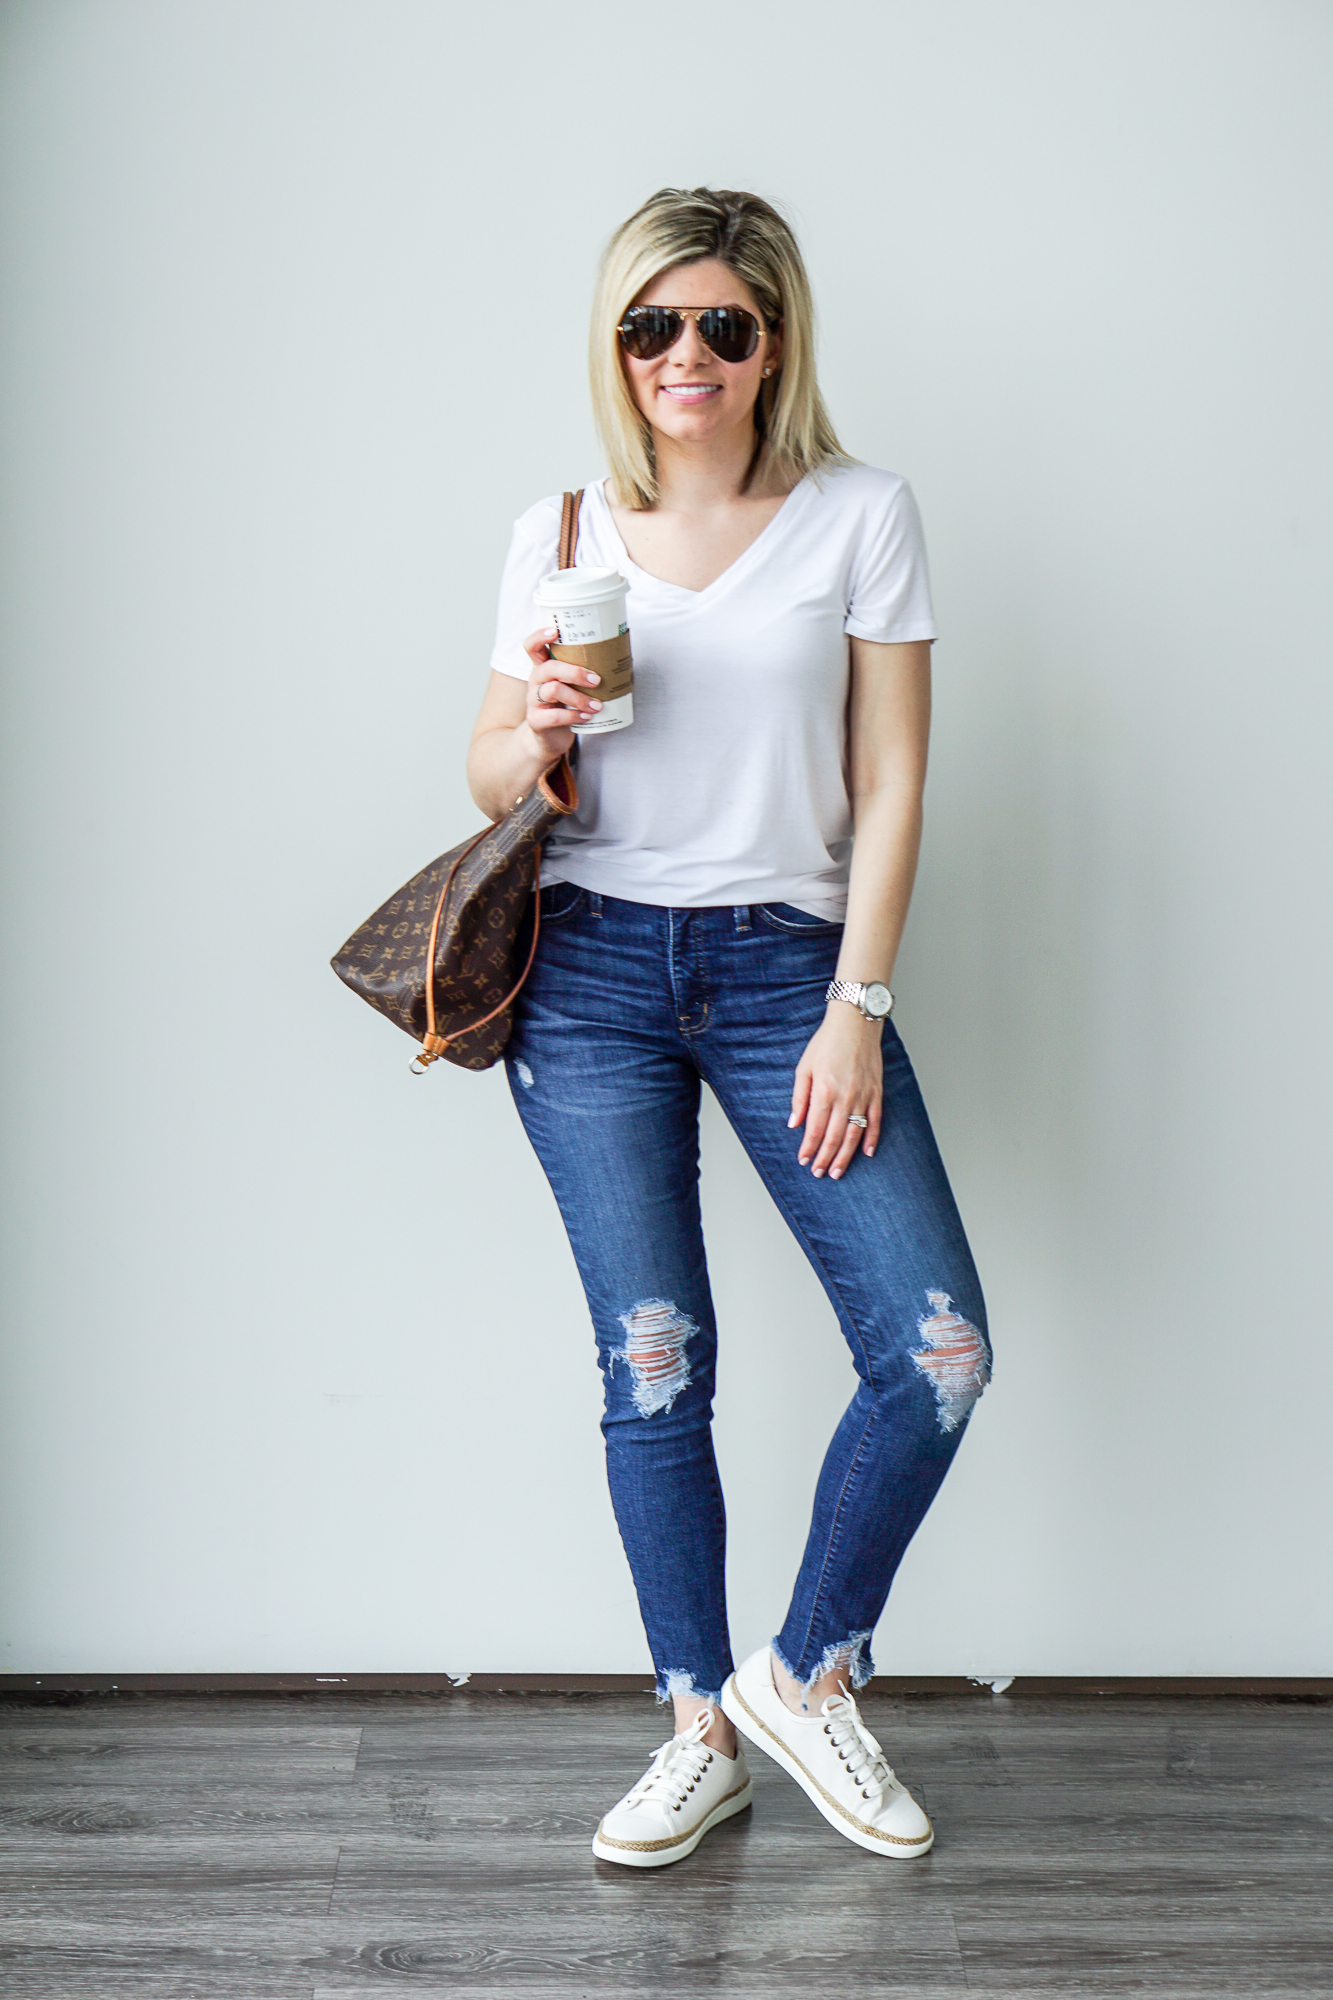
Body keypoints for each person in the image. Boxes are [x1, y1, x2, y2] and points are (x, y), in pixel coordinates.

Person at [467, 186, 990, 1867]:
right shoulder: (557, 533)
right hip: (592, 972)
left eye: (720, 326)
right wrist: (530, 727)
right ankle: (697, 1723)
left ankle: (801, 1672)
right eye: (650, 326)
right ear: (615, 346)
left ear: (772, 344)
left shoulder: (857, 512)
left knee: (936, 1354)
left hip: (788, 965)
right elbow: (484, 770)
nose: (683, 355)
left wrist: (857, 1001)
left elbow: (893, 778)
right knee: (653, 1364)